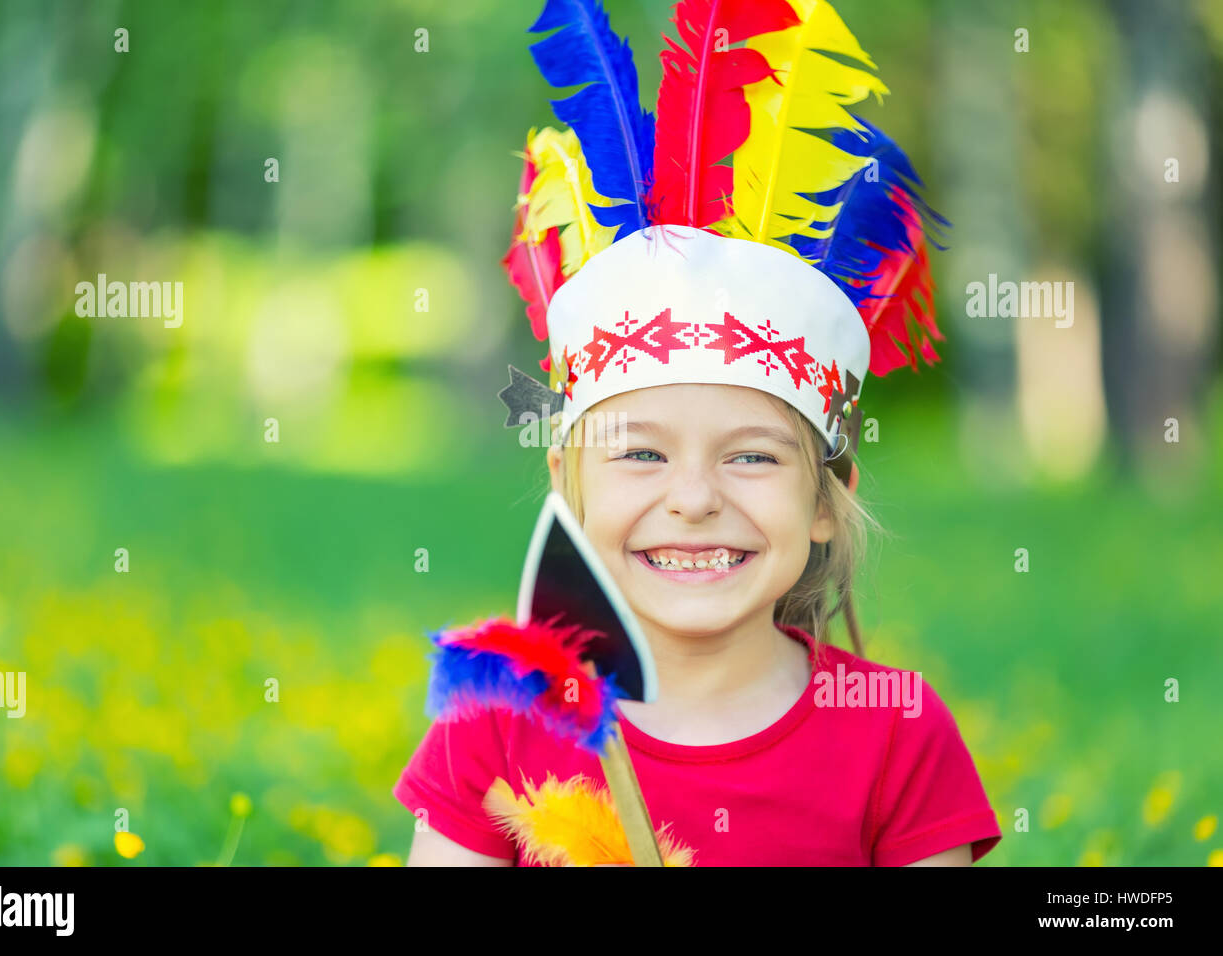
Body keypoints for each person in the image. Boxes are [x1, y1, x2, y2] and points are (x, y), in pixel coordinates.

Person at [394, 0, 1001, 866]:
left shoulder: (895, 733)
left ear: (828, 500)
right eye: (641, 453)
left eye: (752, 457)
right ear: (568, 480)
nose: (693, 499)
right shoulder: (500, 721)